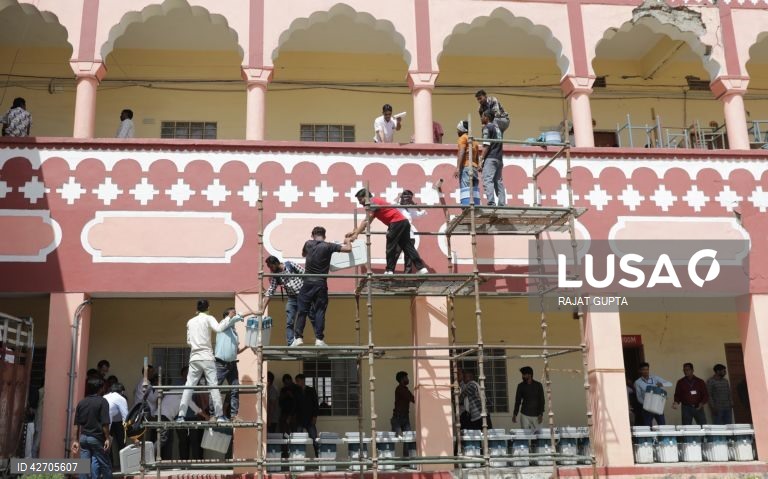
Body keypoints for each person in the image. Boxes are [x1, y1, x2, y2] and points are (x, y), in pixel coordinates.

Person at [176, 299, 241, 422]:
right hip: (206, 357)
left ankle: (180, 416)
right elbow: (219, 328)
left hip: (194, 358)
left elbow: (188, 342)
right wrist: (229, 318)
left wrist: (196, 346)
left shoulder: (190, 321)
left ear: (197, 309)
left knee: (189, 386)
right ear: (208, 308)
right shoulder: (209, 318)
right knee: (214, 387)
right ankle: (220, 415)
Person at [291, 227, 352, 347]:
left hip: (307, 283)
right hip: (320, 283)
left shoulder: (308, 243)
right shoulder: (329, 246)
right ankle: (319, 340)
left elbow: (303, 254)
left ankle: (298, 338)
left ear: (312, 235)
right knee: (319, 311)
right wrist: (348, 240)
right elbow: (348, 249)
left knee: (302, 311)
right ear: (324, 235)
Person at [348, 189, 428, 275]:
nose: (360, 202)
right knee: (407, 247)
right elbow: (367, 222)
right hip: (404, 222)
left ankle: (389, 270)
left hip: (396, 222)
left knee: (390, 247)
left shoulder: (372, 202)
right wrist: (355, 232)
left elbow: (367, 220)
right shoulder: (376, 202)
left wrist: (356, 234)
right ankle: (421, 268)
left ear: (366, 197)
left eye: (360, 199)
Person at [259, 256, 306, 345]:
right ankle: (291, 343)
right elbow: (270, 291)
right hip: (292, 298)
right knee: (289, 321)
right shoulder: (275, 275)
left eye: (271, 266)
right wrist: (263, 308)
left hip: (302, 296)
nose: (270, 269)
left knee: (302, 317)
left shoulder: (290, 265)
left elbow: (305, 274)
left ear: (276, 263)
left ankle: (299, 338)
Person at [71, 377, 111, 479]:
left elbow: (76, 424)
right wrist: (107, 438)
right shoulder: (103, 401)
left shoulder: (82, 402)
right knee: (104, 465)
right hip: (97, 438)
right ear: (101, 388)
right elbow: (105, 423)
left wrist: (75, 440)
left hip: (83, 438)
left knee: (84, 466)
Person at [213, 307, 247, 421]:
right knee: (215, 388)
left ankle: (234, 415)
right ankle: (213, 415)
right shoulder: (223, 324)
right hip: (220, 364)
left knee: (235, 388)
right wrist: (249, 312)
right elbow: (233, 318)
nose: (235, 315)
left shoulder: (234, 333)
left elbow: (235, 351)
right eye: (233, 313)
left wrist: (246, 346)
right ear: (227, 315)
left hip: (232, 364)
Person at [175, 367, 207, 461]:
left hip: (194, 417)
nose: (187, 375)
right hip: (180, 417)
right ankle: (184, 463)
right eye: (185, 373)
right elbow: (190, 403)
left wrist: (202, 414)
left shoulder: (195, 384)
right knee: (183, 441)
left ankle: (196, 462)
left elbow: (201, 400)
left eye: (189, 373)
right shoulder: (179, 385)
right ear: (182, 375)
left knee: (195, 441)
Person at [395, 190, 426, 273]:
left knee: (408, 257)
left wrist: (413, 203)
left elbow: (422, 213)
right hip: (398, 236)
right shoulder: (397, 207)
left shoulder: (410, 210)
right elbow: (392, 205)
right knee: (394, 255)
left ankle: (407, 277)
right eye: (405, 197)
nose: (406, 200)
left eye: (409, 198)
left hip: (409, 236)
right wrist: (398, 196)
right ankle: (389, 275)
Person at [479, 110, 506, 206]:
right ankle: (502, 203)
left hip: (490, 158)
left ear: (486, 117)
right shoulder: (498, 128)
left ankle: (491, 202)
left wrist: (481, 158)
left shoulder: (487, 128)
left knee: (487, 179)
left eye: (482, 116)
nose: (481, 118)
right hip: (499, 158)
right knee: (498, 181)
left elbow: (486, 145)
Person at [634, 362, 672, 426]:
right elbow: (639, 397)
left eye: (647, 369)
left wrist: (662, 384)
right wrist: (647, 404)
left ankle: (663, 436)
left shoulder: (655, 378)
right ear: (640, 371)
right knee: (648, 427)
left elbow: (670, 384)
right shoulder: (637, 382)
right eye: (643, 369)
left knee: (662, 426)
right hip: (647, 408)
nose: (645, 371)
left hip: (658, 406)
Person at [453, 120, 480, 204]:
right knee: (474, 190)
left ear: (461, 129)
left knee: (466, 190)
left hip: (466, 167)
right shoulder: (474, 140)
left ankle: (467, 209)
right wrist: (478, 165)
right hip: (474, 168)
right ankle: (474, 208)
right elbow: (477, 156)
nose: (457, 131)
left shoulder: (463, 138)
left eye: (458, 129)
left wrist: (457, 167)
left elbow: (461, 152)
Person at [103, 383, 128, 467]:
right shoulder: (121, 398)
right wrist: (132, 434)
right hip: (110, 424)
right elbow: (126, 417)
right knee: (121, 445)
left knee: (104, 448)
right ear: (122, 391)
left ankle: (109, 467)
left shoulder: (105, 397)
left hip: (101, 426)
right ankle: (123, 466)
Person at [295, 374, 319, 455]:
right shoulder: (296, 391)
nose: (297, 383)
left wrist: (315, 416)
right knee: (299, 439)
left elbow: (316, 404)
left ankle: (318, 456)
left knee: (315, 439)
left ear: (302, 380)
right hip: (299, 418)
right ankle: (299, 456)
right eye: (296, 381)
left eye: (298, 381)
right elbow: (294, 405)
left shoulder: (311, 390)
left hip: (310, 417)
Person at [391, 371, 415, 435]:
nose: (408, 379)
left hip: (403, 417)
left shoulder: (404, 389)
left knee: (408, 438)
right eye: (406, 377)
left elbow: (412, 399)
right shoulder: (401, 389)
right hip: (398, 418)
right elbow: (413, 399)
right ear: (402, 379)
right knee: (406, 438)